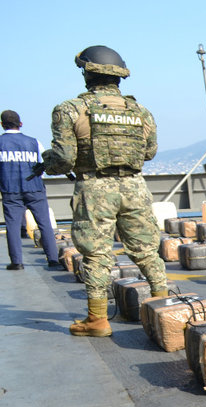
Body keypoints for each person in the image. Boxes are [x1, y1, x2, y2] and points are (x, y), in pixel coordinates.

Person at [38, 46, 167, 337]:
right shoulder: (140, 111)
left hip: (94, 188)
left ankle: (97, 320)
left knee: (96, 255)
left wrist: (46, 161)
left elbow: (63, 160)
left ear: (87, 73)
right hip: (134, 186)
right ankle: (165, 309)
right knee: (146, 249)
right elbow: (150, 152)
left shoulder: (70, 109)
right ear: (119, 76)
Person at [1, 110, 60, 270]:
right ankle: (53, 259)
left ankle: (17, 262)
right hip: (35, 189)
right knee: (44, 223)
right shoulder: (34, 142)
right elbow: (44, 164)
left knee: (12, 226)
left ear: (2, 124)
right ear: (20, 124)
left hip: (10, 190)